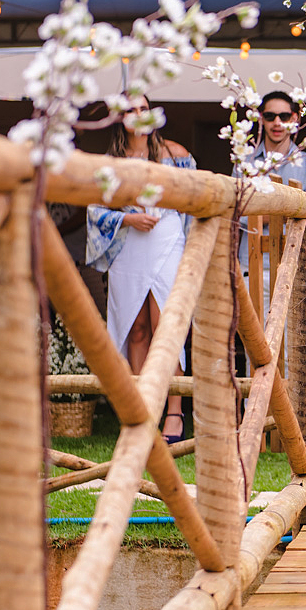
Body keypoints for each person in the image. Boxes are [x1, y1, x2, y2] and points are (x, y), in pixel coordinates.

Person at [87, 98, 194, 443]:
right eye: (129, 109)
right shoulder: (112, 162)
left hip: (167, 239)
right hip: (129, 243)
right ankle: (143, 412)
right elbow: (94, 210)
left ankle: (174, 414)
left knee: (167, 326)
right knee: (136, 328)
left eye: (142, 108)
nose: (137, 115)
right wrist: (127, 217)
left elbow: (194, 197)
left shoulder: (175, 153)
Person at [236, 91, 306, 285]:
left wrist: (262, 213)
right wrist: (285, 213)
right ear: (261, 119)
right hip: (251, 263)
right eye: (270, 116)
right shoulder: (245, 159)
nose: (277, 122)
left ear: (295, 119)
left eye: (284, 116)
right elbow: (234, 209)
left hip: (295, 263)